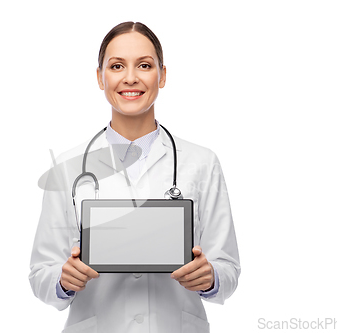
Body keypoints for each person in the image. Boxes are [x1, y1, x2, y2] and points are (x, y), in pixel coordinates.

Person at [29, 21, 240, 333]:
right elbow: (40, 273)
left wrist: (210, 278)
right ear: (100, 78)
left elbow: (229, 269)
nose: (130, 78)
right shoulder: (67, 169)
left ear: (162, 75)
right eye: (116, 66)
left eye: (144, 65)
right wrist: (63, 280)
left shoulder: (202, 163)